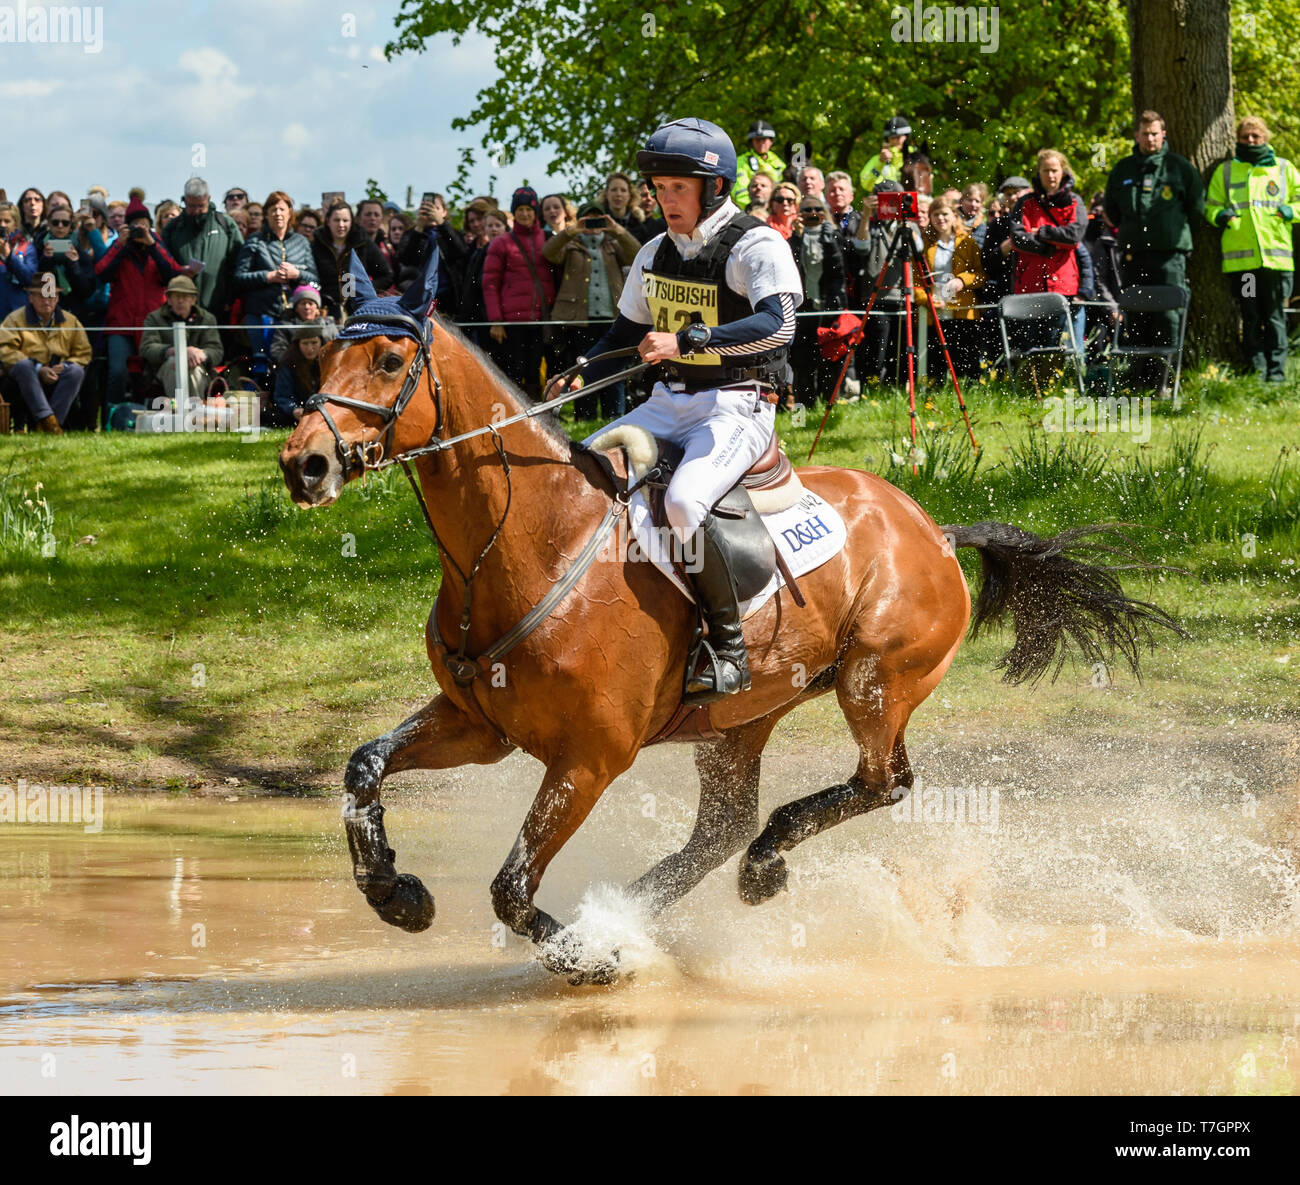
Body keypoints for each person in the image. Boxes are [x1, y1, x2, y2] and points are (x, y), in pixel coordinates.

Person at [553, 117, 804, 701]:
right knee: (579, 472)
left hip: (737, 406)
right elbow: (625, 332)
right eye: (660, 188)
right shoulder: (651, 253)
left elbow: (779, 326)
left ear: (714, 188)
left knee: (687, 501)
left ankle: (728, 648)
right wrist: (582, 370)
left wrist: (690, 341)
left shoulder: (756, 243)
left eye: (678, 189)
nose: (665, 200)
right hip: (669, 401)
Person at [1103, 110, 1206, 389]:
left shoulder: (1179, 168)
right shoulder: (1123, 169)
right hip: (1133, 255)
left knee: (1168, 316)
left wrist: (1172, 231)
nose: (1150, 138)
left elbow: (1196, 208)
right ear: (1136, 136)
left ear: (1163, 135)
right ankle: (1138, 379)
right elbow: (1111, 208)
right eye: (1144, 133)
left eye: (1154, 133)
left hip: (1169, 256)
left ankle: (1165, 381)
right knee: (1136, 315)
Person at [1205, 116, 1300, 382]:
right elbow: (1210, 206)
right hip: (1244, 266)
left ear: (1265, 138)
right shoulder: (1226, 171)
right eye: (1246, 136)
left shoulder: (1284, 169)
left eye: (1256, 136)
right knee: (1250, 315)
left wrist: (1290, 210)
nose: (1251, 141)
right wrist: (1220, 216)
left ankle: (1277, 375)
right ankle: (1256, 372)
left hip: (1276, 262)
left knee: (1274, 317)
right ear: (1237, 139)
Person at [542, 201, 641, 418]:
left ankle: (614, 414)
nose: (594, 224)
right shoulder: (572, 244)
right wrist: (572, 230)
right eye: (589, 219)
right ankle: (584, 415)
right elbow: (549, 252)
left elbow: (637, 253)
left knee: (613, 368)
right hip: (580, 320)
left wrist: (618, 230)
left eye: (598, 219)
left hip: (612, 317)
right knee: (582, 367)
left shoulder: (613, 244)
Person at [94, 197, 184, 407]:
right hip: (121, 323)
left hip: (153, 324)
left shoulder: (158, 245)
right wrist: (120, 245)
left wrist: (152, 245)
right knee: (117, 371)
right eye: (134, 225)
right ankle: (113, 418)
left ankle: (154, 416)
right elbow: (101, 273)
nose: (138, 230)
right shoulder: (119, 247)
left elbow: (172, 275)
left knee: (152, 373)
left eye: (143, 224)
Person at [1010, 150, 1089, 361]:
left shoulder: (1074, 202)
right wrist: (1051, 247)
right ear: (1039, 172)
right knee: (1029, 344)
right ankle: (1030, 388)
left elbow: (1074, 235)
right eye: (1046, 171)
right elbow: (1018, 238)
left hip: (1062, 283)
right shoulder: (1025, 203)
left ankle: (1055, 387)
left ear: (1063, 171)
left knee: (1055, 342)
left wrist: (1042, 233)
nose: (1051, 175)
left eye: (1054, 170)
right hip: (1029, 283)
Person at [483, 187, 555, 397]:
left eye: (529, 209)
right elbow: (489, 284)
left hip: (541, 317)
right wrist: (496, 320)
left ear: (535, 212)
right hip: (512, 320)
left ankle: (535, 415)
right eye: (520, 209)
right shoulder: (501, 243)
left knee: (536, 369)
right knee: (513, 371)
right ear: (514, 212)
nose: (525, 214)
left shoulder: (548, 239)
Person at [0, 273, 93, 433]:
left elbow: (83, 352)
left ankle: (49, 425)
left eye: (51, 296)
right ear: (30, 297)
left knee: (76, 371)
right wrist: (38, 368)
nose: (47, 300)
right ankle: (47, 421)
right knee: (23, 366)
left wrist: (65, 365)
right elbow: (5, 350)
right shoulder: (14, 319)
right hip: (25, 376)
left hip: (58, 374)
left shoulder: (71, 320)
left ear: (57, 298)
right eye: (42, 296)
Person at [852, 181, 924, 385]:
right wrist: (866, 214)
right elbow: (861, 248)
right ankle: (872, 389)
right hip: (876, 295)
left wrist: (906, 220)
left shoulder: (909, 225)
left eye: (895, 199)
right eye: (885, 199)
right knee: (877, 350)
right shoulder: (868, 223)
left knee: (902, 350)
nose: (890, 205)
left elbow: (918, 249)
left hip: (902, 295)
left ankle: (899, 388)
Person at [912, 198, 985, 379]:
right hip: (933, 312)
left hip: (962, 310)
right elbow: (914, 282)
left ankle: (970, 396)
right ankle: (934, 399)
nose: (940, 218)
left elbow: (980, 274)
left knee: (965, 363)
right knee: (935, 365)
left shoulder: (967, 242)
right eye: (936, 214)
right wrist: (927, 301)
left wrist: (962, 280)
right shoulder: (923, 244)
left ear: (954, 215)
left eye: (945, 214)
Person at [788, 194, 848, 407]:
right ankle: (802, 413)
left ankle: (831, 408)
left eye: (816, 209)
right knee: (802, 363)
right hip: (803, 309)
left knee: (832, 360)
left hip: (829, 307)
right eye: (806, 210)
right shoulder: (793, 239)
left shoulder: (834, 235)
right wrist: (796, 236)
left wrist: (829, 238)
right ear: (799, 214)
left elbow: (839, 270)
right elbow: (790, 267)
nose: (812, 213)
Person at [161, 176, 244, 321]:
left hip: (218, 306)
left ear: (209, 198)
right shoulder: (173, 228)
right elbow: (161, 264)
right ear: (185, 200)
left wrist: (230, 298)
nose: (197, 211)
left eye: (201, 206)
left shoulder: (225, 224)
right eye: (192, 206)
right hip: (181, 308)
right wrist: (179, 271)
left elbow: (239, 263)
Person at [233, 190, 318, 324]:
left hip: (295, 316)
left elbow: (315, 281)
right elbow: (239, 278)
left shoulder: (301, 242)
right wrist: (269, 277)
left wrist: (297, 274)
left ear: (290, 213)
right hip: (261, 314)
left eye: (282, 209)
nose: (278, 213)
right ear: (266, 214)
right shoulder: (255, 240)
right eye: (273, 209)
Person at [140, 275, 224, 402]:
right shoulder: (154, 318)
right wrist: (173, 351)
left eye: (185, 296)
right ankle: (178, 413)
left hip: (200, 370)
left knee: (193, 368)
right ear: (168, 299)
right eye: (176, 296)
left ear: (193, 299)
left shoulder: (207, 319)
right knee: (176, 364)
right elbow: (147, 348)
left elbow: (216, 350)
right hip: (164, 370)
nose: (180, 301)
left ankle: (194, 414)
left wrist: (200, 354)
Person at [310, 198, 393, 314]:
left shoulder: (363, 243)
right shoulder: (315, 245)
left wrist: (362, 289)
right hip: (323, 310)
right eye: (336, 220)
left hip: (356, 310)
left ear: (352, 222)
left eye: (345, 220)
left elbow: (387, 275)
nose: (341, 225)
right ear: (328, 221)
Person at [395, 192, 468, 311]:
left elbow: (460, 251)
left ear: (444, 212)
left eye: (435, 208)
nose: (430, 212)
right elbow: (407, 259)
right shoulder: (411, 234)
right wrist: (418, 229)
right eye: (425, 208)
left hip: (448, 295)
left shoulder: (451, 232)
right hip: (421, 294)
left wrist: (442, 225)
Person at [33, 204, 94, 319]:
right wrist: (46, 260)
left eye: (65, 223)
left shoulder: (79, 250)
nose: (60, 226)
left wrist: (75, 265)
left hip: (74, 313)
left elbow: (86, 291)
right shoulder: (38, 247)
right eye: (55, 222)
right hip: (44, 313)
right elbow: (34, 285)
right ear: (49, 224)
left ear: (70, 225)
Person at [271, 321, 325, 426]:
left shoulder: (328, 362)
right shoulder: (288, 364)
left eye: (314, 343)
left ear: (321, 343)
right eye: (305, 343)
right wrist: (293, 409)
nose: (310, 348)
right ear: (298, 345)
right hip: (295, 415)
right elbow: (282, 396)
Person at [269, 283, 337, 363]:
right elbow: (277, 352)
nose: (307, 307)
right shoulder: (286, 327)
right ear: (296, 308)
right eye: (303, 303)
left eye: (310, 303)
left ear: (317, 308)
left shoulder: (329, 326)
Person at [731, 119, 786, 207]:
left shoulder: (779, 163)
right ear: (751, 142)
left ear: (771, 141)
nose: (761, 143)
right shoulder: (741, 162)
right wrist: (754, 209)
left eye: (764, 140)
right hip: (750, 210)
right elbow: (740, 193)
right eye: (757, 140)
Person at [0, 202, 37, 319]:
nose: (2, 225)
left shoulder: (26, 247)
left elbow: (30, 279)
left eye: (7, 221)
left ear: (15, 224)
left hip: (18, 315)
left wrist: (9, 256)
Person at [860, 116, 915, 192]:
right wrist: (880, 164)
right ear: (887, 139)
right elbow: (866, 184)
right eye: (892, 138)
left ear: (906, 137)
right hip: (887, 201)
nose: (895, 141)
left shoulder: (916, 158)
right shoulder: (877, 159)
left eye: (898, 137)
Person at [599, 172, 651, 243]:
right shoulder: (597, 220)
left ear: (630, 195)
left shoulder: (640, 228)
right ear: (607, 193)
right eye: (614, 190)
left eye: (623, 190)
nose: (618, 194)